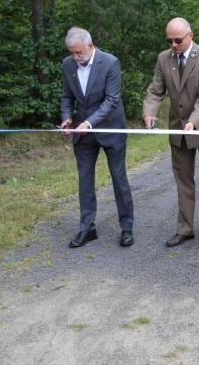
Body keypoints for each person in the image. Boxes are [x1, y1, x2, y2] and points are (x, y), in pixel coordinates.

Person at [143, 18, 199, 252]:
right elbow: (155, 90)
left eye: (178, 40)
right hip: (177, 130)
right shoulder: (163, 58)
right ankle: (185, 229)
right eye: (169, 40)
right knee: (183, 182)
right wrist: (149, 112)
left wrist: (194, 121)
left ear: (191, 35)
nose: (173, 45)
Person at [60, 26, 135, 248]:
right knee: (84, 181)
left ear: (90, 46)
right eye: (72, 53)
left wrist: (89, 122)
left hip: (111, 130)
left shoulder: (110, 62)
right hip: (83, 136)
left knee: (118, 178)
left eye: (78, 53)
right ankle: (87, 228)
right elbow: (66, 97)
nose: (75, 57)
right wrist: (66, 118)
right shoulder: (67, 65)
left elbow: (112, 100)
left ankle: (127, 228)